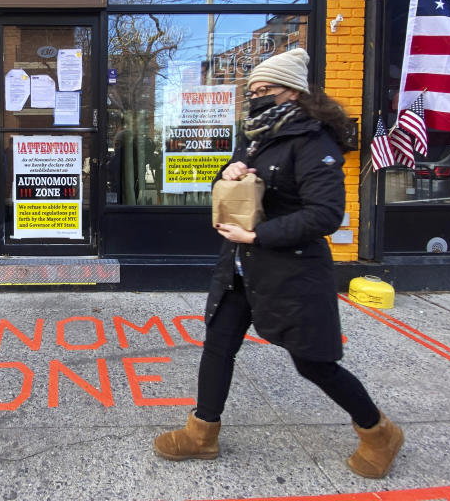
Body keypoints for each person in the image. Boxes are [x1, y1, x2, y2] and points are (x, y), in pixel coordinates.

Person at [153, 48, 404, 479]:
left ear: (293, 92)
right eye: (252, 90)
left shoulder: (313, 141)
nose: (256, 97)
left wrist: (258, 235)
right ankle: (201, 434)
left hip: (293, 271)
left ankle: (378, 432)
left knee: (313, 361)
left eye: (265, 89)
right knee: (218, 346)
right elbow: (229, 182)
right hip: (241, 267)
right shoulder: (255, 136)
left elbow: (326, 214)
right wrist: (227, 173)